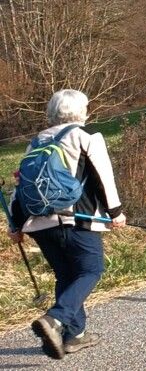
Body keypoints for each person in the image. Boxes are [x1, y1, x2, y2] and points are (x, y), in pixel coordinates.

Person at [7, 89, 126, 360]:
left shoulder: (36, 142)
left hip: (39, 225)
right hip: (78, 221)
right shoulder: (86, 137)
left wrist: (14, 225)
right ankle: (55, 319)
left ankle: (75, 335)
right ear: (83, 111)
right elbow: (102, 176)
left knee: (66, 275)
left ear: (52, 112)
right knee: (91, 270)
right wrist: (115, 212)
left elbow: (22, 186)